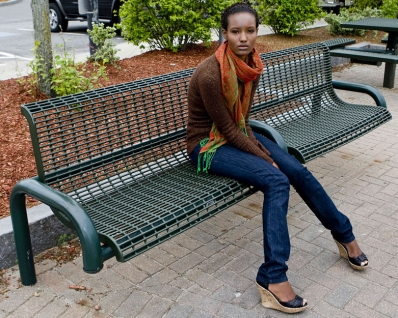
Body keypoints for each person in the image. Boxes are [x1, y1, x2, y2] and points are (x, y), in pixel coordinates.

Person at [186, 2, 369, 314]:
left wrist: (264, 152)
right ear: (225, 33)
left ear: (257, 32)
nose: (243, 37)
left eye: (249, 30)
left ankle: (344, 235)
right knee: (276, 179)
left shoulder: (253, 63)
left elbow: (242, 119)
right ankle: (273, 277)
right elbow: (228, 128)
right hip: (207, 145)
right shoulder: (210, 73)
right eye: (235, 31)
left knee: (297, 170)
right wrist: (264, 157)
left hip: (238, 134)